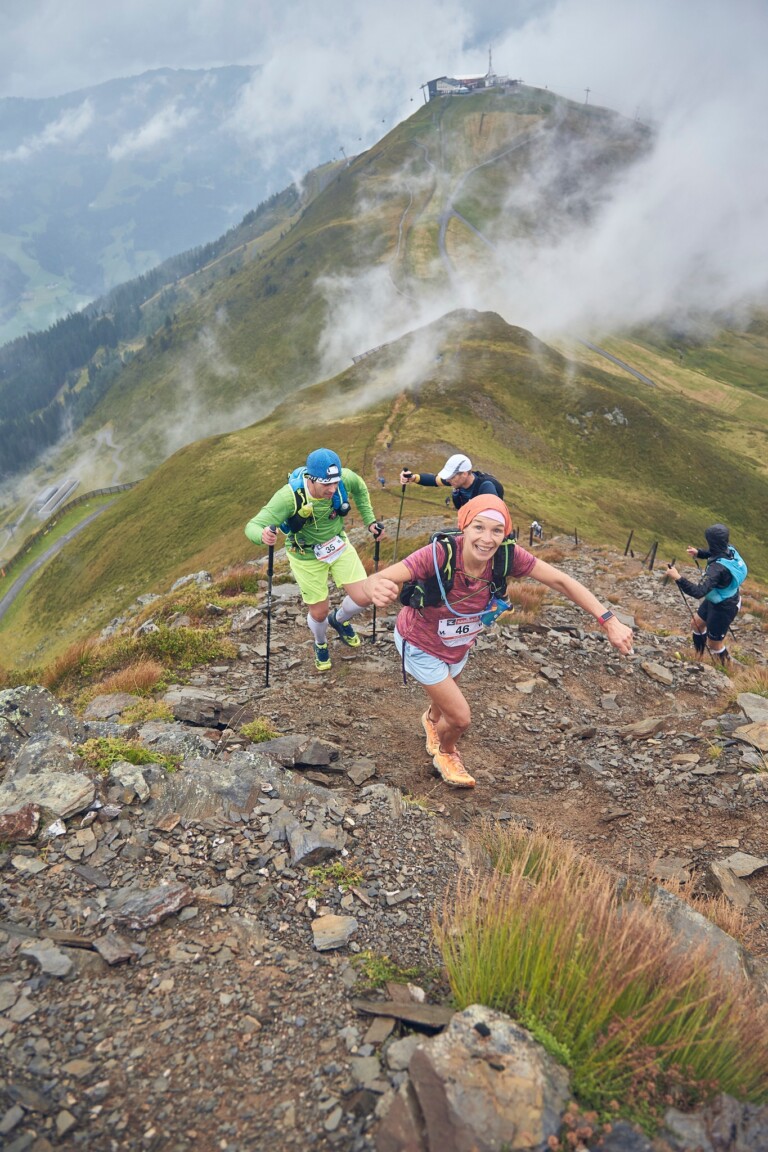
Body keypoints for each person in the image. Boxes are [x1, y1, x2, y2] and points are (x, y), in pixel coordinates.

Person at [363, 494, 634, 788]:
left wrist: (609, 620)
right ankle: (446, 751)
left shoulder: (508, 556)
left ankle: (431, 719)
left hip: (459, 645)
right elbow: (382, 577)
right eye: (478, 527)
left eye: (496, 530)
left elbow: (561, 581)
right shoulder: (440, 554)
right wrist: (377, 587)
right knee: (460, 719)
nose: (487, 539)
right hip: (419, 644)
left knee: (445, 697)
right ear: (464, 526)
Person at [245, 448, 385, 671]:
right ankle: (320, 642)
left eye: (335, 483)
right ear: (311, 479)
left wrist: (370, 521)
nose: (332, 489)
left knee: (364, 597)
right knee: (319, 612)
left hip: (338, 544)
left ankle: (338, 619)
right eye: (325, 484)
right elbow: (252, 526)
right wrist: (261, 536)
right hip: (305, 554)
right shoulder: (289, 496)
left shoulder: (344, 479)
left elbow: (359, 488)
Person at [667, 524, 747, 666]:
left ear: (712, 541)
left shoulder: (717, 569)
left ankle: (728, 668)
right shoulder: (730, 549)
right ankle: (699, 657)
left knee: (714, 644)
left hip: (724, 607)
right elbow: (714, 553)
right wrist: (699, 553)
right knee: (696, 624)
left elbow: (698, 592)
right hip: (717, 598)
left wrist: (678, 577)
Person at [399, 453, 504, 510]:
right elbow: (434, 480)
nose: (448, 480)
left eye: (451, 476)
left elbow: (493, 514)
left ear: (464, 473)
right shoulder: (457, 481)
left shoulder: (486, 487)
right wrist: (412, 478)